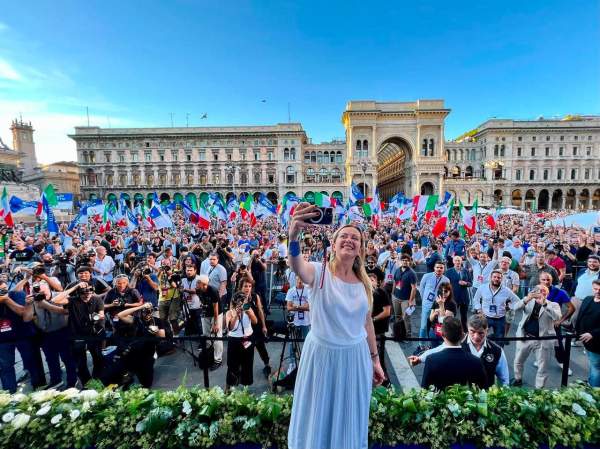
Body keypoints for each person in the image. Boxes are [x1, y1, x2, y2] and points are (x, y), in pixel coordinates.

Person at [286, 204, 384, 449]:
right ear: (333, 242)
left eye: (355, 238)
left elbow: (366, 321)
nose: (349, 240)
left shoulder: (364, 284)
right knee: (318, 418)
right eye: (344, 235)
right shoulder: (319, 273)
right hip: (322, 358)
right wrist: (293, 237)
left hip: (355, 358)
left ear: (361, 248)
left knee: (350, 419)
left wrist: (375, 360)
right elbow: (297, 266)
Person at [409, 314, 509, 388]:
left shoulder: (497, 351)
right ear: (467, 329)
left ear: (487, 330)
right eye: (472, 332)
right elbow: (439, 349)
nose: (476, 336)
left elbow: (504, 379)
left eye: (481, 333)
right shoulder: (457, 342)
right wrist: (420, 358)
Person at [101, 303, 171, 388]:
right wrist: (140, 307)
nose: (147, 314)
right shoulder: (136, 320)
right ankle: (127, 379)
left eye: (149, 312)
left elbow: (162, 337)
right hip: (133, 352)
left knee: (146, 383)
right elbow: (120, 315)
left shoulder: (157, 321)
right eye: (145, 312)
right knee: (120, 374)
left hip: (147, 354)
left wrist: (155, 331)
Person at [53, 281, 105, 385]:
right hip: (77, 334)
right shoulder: (73, 300)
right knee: (81, 363)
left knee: (98, 358)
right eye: (83, 293)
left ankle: (97, 379)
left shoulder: (97, 299)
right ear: (78, 293)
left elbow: (102, 314)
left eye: (90, 291)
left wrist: (97, 317)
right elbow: (55, 300)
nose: (87, 295)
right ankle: (87, 383)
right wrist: (76, 286)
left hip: (93, 334)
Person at [511, 284, 561, 387]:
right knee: (518, 361)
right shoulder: (528, 301)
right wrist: (527, 299)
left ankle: (539, 389)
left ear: (547, 294)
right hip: (525, 337)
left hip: (543, 340)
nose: (541, 293)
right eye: (538, 290)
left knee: (542, 367)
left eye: (543, 291)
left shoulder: (553, 305)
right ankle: (518, 379)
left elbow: (557, 317)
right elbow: (514, 308)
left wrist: (544, 305)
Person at [420, 317, 487, 390]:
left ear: (442, 334)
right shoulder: (476, 361)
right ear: (462, 335)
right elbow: (483, 389)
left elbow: (424, 390)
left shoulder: (431, 360)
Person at [473, 270, 520, 345]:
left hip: (500, 319)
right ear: (491, 278)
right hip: (485, 317)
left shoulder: (506, 290)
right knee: (480, 338)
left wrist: (510, 307)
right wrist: (479, 310)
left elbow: (517, 301)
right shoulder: (482, 288)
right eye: (494, 277)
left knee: (500, 341)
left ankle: (498, 355)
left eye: (499, 277)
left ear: (502, 279)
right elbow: (476, 299)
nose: (496, 279)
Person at [224, 291, 258, 390]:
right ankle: (228, 387)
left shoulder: (248, 309)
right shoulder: (229, 312)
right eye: (240, 303)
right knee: (232, 365)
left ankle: (245, 388)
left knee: (247, 364)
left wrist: (249, 313)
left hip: (247, 338)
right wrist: (236, 315)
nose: (242, 304)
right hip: (234, 340)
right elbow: (230, 327)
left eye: (244, 302)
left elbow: (255, 321)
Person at [575, 279, 600, 387]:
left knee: (596, 366)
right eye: (595, 289)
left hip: (597, 342)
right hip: (586, 340)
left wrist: (593, 334)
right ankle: (592, 381)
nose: (598, 291)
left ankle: (594, 389)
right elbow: (581, 316)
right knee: (592, 363)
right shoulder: (588, 299)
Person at [417, 261, 449, 346]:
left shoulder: (446, 280)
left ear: (444, 269)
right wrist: (424, 299)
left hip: (438, 305)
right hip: (427, 304)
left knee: (437, 325)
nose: (439, 269)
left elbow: (447, 292)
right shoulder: (426, 276)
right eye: (437, 267)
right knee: (423, 326)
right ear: (434, 268)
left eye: (441, 268)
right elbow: (421, 288)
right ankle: (421, 344)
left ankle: (434, 344)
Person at [196, 274, 223, 370]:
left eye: (198, 283)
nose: (197, 284)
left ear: (204, 284)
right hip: (205, 313)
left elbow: (216, 308)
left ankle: (218, 360)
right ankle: (208, 355)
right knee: (206, 335)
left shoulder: (213, 291)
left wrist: (215, 323)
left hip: (216, 314)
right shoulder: (198, 290)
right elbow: (201, 300)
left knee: (216, 336)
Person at [369, 272, 391, 384]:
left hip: (378, 330)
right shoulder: (365, 293)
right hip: (367, 331)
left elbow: (387, 311)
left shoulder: (381, 292)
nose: (370, 282)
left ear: (377, 282)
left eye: (372, 280)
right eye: (368, 280)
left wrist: (372, 320)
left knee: (378, 357)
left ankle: (385, 381)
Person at [445, 256, 472, 332]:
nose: (458, 262)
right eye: (456, 260)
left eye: (459, 260)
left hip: (464, 297)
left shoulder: (466, 271)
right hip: (453, 297)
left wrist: (466, 283)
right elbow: (446, 285)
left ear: (461, 261)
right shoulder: (449, 271)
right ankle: (451, 331)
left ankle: (465, 332)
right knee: (452, 316)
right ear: (453, 262)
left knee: (464, 317)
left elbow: (471, 283)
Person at [428, 282, 457, 347]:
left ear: (450, 291)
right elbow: (431, 318)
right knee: (433, 350)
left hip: (445, 332)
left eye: (446, 291)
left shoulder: (452, 304)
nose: (443, 293)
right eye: (441, 290)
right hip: (433, 330)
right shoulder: (436, 302)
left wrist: (441, 305)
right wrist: (435, 313)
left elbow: (444, 320)